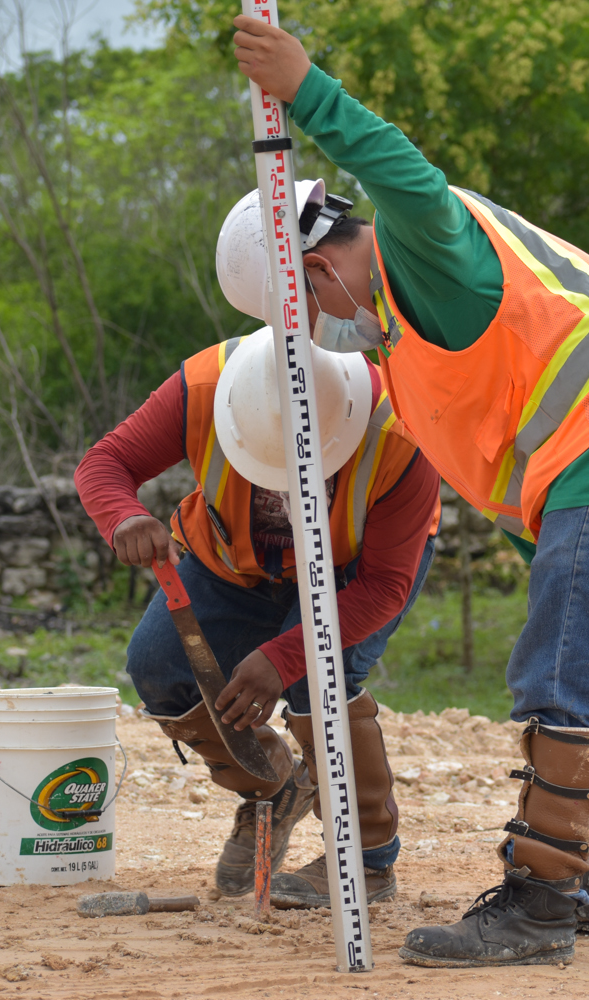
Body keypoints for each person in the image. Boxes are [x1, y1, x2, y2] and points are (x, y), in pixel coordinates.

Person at [221, 17, 589, 967]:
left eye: (306, 302)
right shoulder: (408, 355)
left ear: (323, 265)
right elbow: (513, 478)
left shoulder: (427, 252)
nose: (321, 326)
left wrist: (306, 89)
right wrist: (554, 564)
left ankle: (540, 908)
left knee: (568, 679)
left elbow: (404, 174)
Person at [74, 309, 439, 909]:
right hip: (230, 558)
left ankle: (367, 862)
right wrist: (125, 517)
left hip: (350, 573)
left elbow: (383, 587)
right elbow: (104, 465)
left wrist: (285, 656)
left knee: (324, 681)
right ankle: (274, 788)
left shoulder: (398, 430)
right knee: (161, 669)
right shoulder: (202, 387)